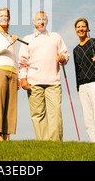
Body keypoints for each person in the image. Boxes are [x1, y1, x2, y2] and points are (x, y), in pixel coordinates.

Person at [18, 11, 69, 141]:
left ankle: (55, 143)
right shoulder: (27, 39)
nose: (41, 21)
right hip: (33, 82)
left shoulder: (55, 37)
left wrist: (63, 58)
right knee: (37, 114)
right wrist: (23, 79)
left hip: (53, 82)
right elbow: (22, 62)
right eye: (39, 19)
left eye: (44, 19)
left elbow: (65, 54)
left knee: (55, 113)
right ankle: (43, 143)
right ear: (33, 21)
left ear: (47, 22)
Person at [0, 8, 20, 141]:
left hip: (12, 72)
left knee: (11, 107)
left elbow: (14, 57)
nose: (4, 18)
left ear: (9, 18)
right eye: (1, 16)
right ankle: (0, 138)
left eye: (6, 16)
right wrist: (10, 42)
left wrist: (18, 75)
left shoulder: (9, 36)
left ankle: (7, 138)